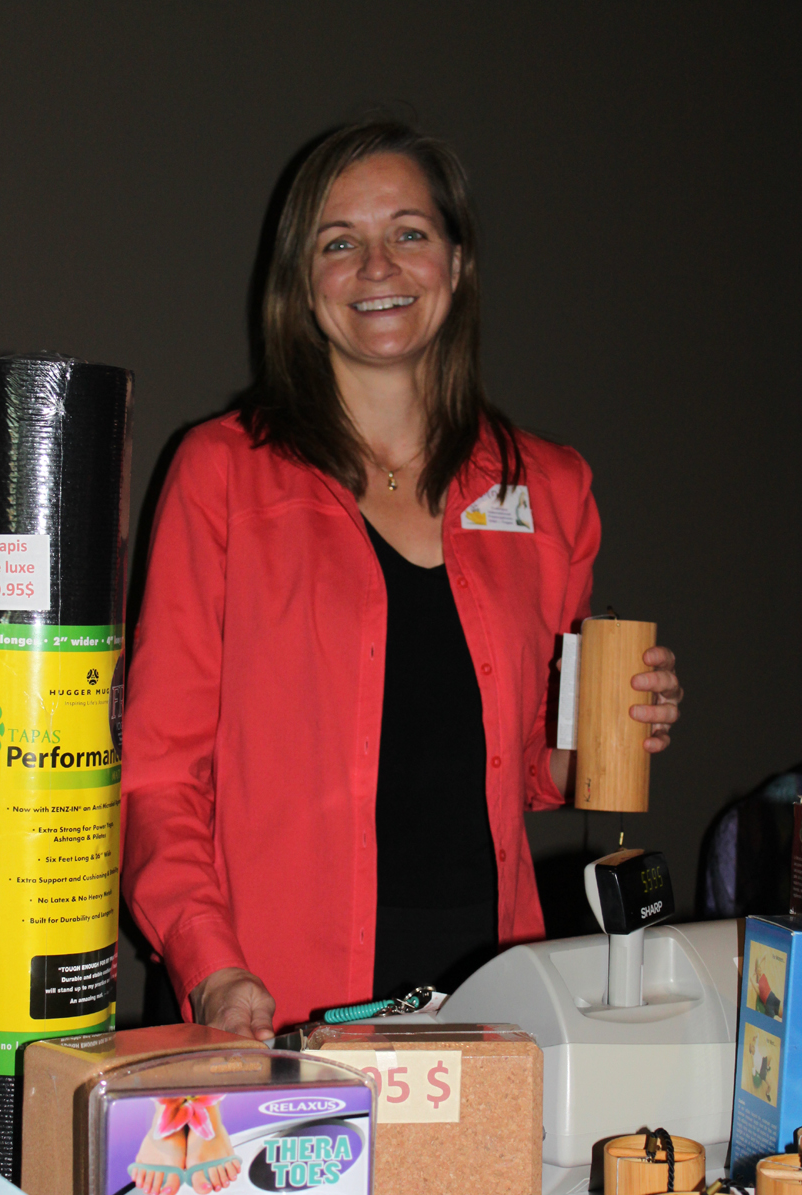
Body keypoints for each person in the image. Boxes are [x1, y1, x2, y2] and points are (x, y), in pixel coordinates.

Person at [121, 120, 682, 1042]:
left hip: (490, 991)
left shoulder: (547, 488)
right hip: (271, 996)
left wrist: (615, 732)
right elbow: (157, 772)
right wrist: (209, 962)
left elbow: (531, 769)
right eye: (340, 243)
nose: (377, 267)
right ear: (304, 285)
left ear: (456, 264)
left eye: (409, 233)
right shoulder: (223, 472)